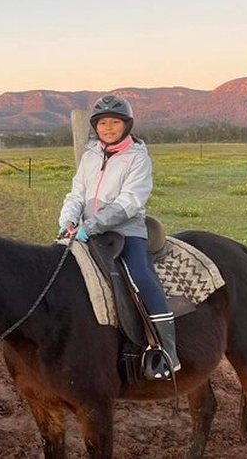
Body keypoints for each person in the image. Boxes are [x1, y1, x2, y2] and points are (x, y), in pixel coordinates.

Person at [57, 94, 180, 379]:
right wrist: (68, 220)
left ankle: (166, 351)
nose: (108, 128)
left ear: (127, 125)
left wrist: (94, 225)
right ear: (95, 127)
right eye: (102, 123)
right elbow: (76, 194)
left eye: (115, 122)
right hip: (88, 228)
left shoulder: (137, 158)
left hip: (126, 230)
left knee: (140, 275)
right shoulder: (90, 155)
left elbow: (130, 202)